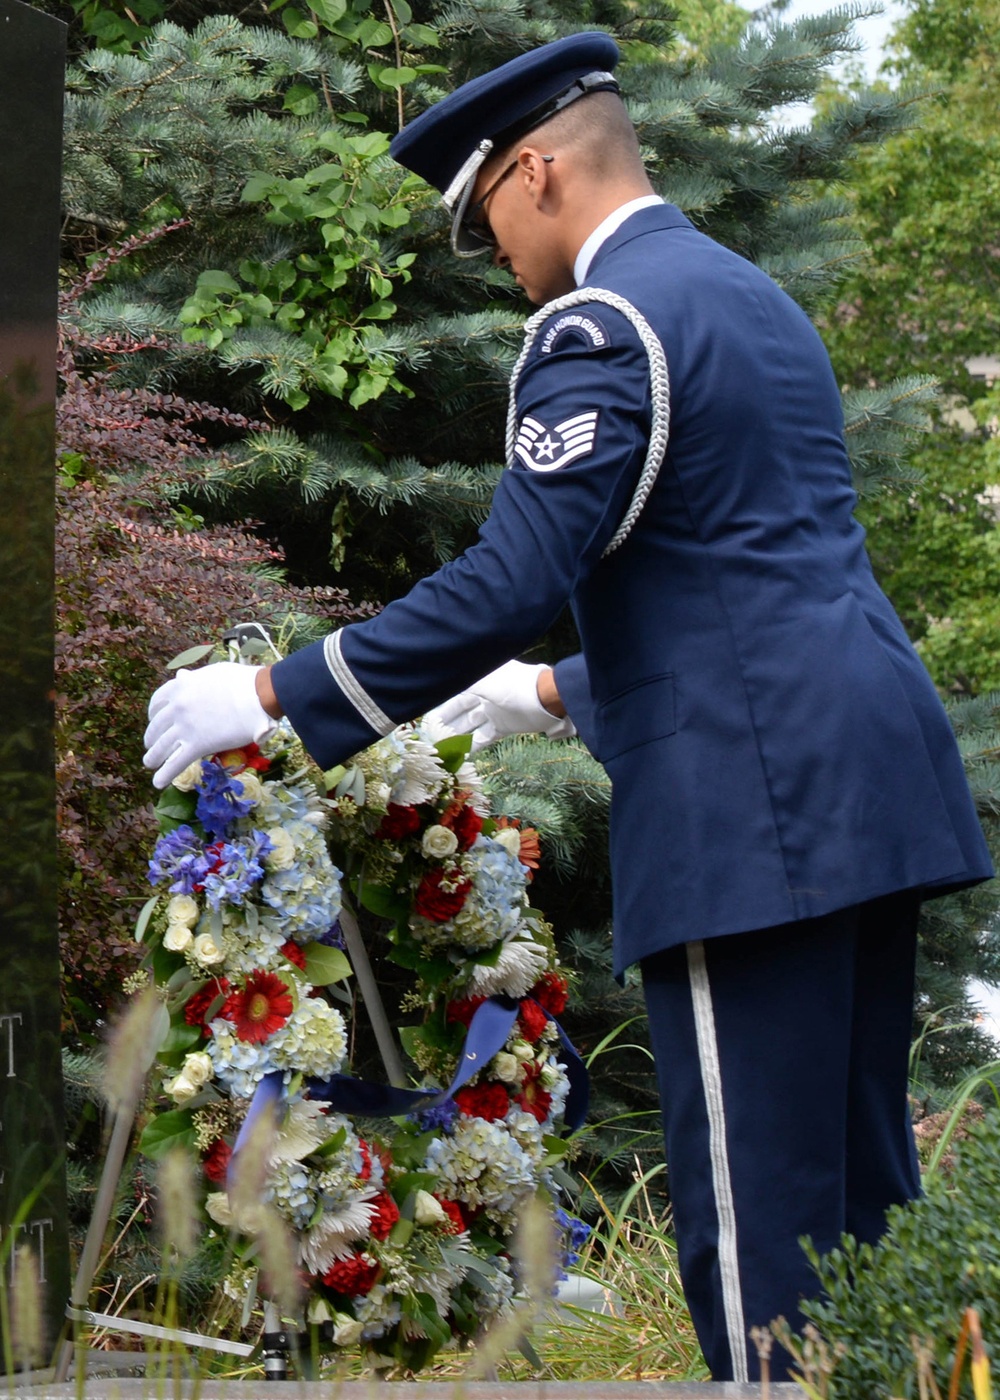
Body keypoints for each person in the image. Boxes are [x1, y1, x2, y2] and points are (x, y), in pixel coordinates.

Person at [143, 33, 993, 1381]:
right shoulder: (750, 297)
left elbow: (509, 576)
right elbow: (761, 571)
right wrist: (547, 691)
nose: (502, 261)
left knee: (758, 1229)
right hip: (871, 784)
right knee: (858, 1213)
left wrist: (272, 691)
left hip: (749, 822)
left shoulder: (601, 324)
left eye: (489, 221)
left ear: (536, 172)